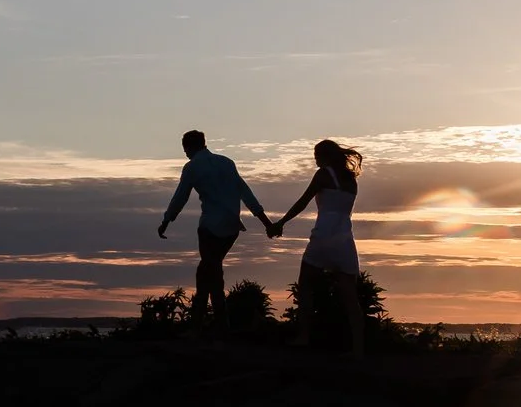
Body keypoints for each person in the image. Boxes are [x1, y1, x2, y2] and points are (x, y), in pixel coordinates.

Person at [156, 130, 275, 326]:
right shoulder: (227, 162)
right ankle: (210, 322)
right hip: (231, 228)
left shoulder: (192, 167)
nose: (185, 153)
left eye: (185, 149)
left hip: (210, 227)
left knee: (209, 275)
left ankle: (213, 324)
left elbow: (180, 196)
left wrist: (167, 220)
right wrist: (267, 223)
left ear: (188, 147)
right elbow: (246, 192)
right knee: (209, 271)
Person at [274, 139, 365, 355]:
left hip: (323, 235)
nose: (314, 159)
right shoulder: (351, 181)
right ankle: (359, 348)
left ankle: (303, 337)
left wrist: (281, 223)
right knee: (350, 296)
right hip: (344, 239)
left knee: (305, 286)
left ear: (324, 156)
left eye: (316, 155)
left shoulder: (324, 174)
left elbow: (303, 201)